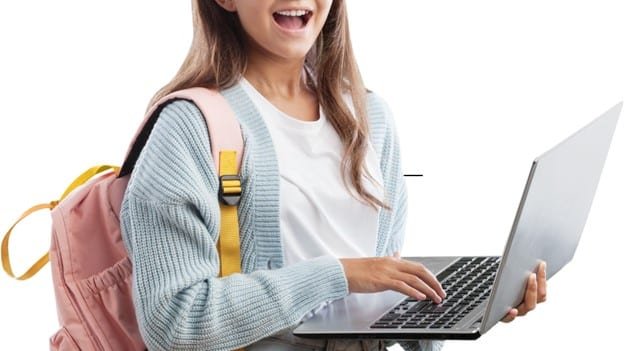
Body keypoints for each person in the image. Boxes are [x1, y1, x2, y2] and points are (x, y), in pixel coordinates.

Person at [119, 1, 547, 350]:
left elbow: (378, 283)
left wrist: (460, 311)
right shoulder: (190, 129)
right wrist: (339, 274)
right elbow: (174, 324)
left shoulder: (370, 117)